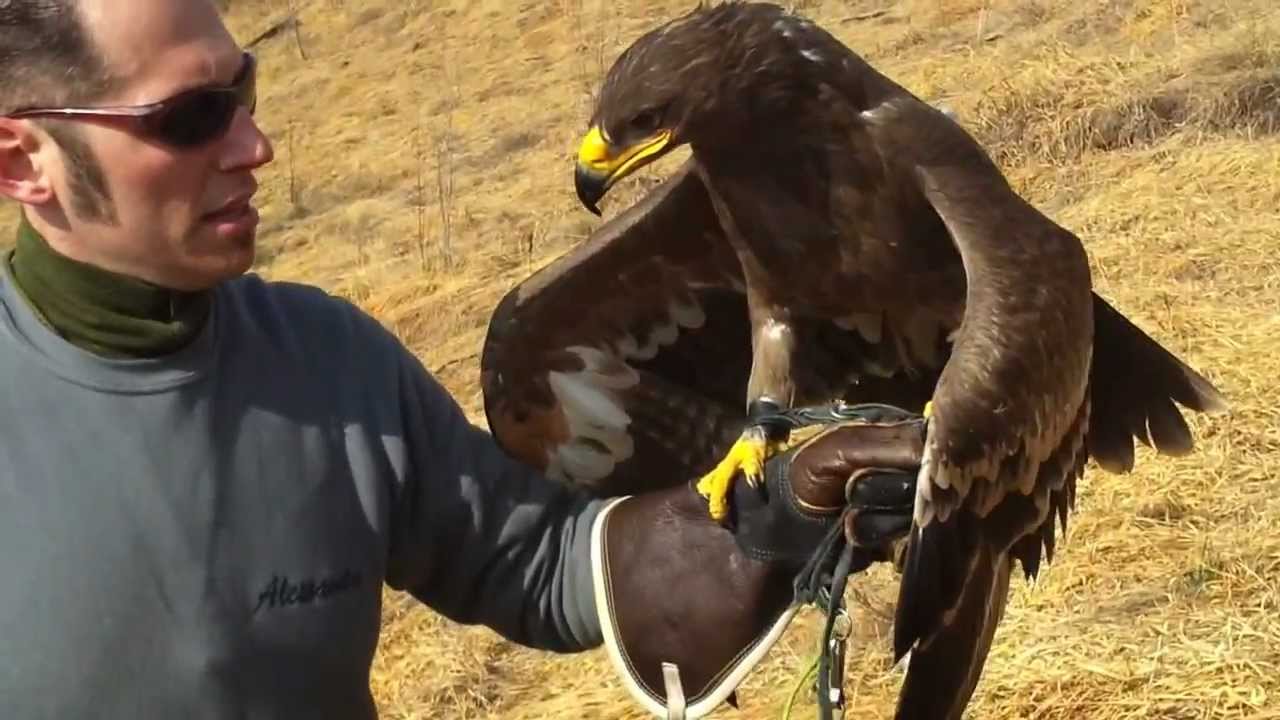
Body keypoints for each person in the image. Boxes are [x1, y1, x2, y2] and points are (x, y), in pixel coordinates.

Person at [0, 1, 924, 718]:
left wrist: (767, 521)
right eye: (192, 117)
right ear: (24, 163)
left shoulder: (328, 362)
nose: (256, 145)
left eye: (243, 92)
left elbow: (545, 562)